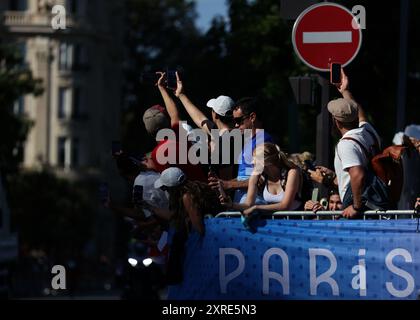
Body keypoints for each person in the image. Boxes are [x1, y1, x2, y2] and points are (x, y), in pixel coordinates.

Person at [325, 68, 382, 219]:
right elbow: (361, 115)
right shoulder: (367, 131)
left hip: (358, 207)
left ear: (336, 122)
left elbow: (357, 174)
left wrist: (356, 206)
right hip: (372, 200)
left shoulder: (346, 144)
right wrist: (345, 90)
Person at [142, 73, 206, 182]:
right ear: (167, 122)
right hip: (203, 190)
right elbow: (174, 115)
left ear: (148, 131)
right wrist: (162, 88)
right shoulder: (179, 136)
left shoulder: (156, 154)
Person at [220, 143, 302, 228]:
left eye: (255, 159)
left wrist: (257, 207)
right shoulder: (257, 175)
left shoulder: (291, 172)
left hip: (295, 222)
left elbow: (285, 205)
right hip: (273, 223)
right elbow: (248, 204)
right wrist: (232, 205)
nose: (251, 162)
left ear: (266, 162)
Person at [209, 97, 274, 204]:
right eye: (234, 121)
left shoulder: (263, 141)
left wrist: (228, 184)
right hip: (242, 200)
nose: (236, 125)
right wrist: (221, 183)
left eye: (239, 120)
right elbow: (243, 177)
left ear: (252, 117)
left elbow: (261, 179)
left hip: (255, 202)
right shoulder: (249, 141)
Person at [174, 72, 236, 180]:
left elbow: (226, 180)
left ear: (215, 114)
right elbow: (201, 119)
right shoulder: (225, 132)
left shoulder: (225, 142)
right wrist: (181, 94)